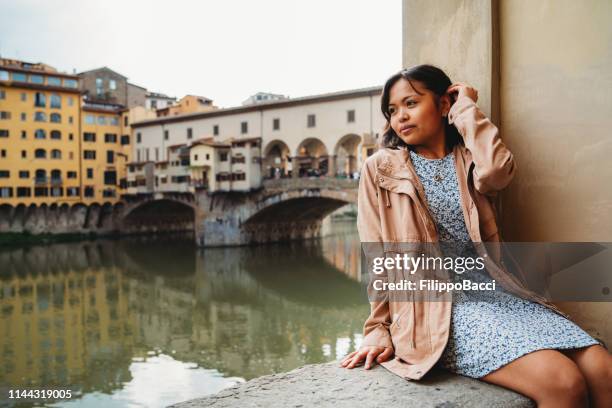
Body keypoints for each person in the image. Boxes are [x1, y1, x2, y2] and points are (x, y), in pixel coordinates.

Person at [341, 65, 612, 407]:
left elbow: (498, 172)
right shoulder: (380, 168)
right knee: (562, 382)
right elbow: (380, 258)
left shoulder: (468, 158)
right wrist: (377, 328)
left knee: (604, 370)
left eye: (410, 103)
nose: (400, 117)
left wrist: (466, 107)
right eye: (392, 111)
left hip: (498, 293)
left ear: (442, 106)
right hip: (438, 310)